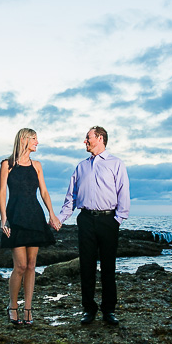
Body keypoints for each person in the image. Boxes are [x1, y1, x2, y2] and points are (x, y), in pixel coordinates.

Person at [55, 126, 130, 325]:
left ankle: (108, 311)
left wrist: (118, 220)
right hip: (86, 219)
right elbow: (70, 197)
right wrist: (60, 219)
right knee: (86, 267)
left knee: (108, 268)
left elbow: (123, 192)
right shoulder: (80, 167)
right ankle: (89, 309)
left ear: (100, 138)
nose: (84, 141)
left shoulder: (116, 164)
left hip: (108, 220)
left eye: (87, 137)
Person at [0, 128, 61, 326]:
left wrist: (52, 213)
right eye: (34, 138)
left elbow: (43, 191)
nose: (37, 142)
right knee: (20, 266)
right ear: (24, 139)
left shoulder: (37, 165)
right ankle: (12, 306)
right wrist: (3, 219)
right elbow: (2, 193)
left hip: (34, 216)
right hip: (15, 217)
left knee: (32, 265)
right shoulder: (7, 164)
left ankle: (28, 308)